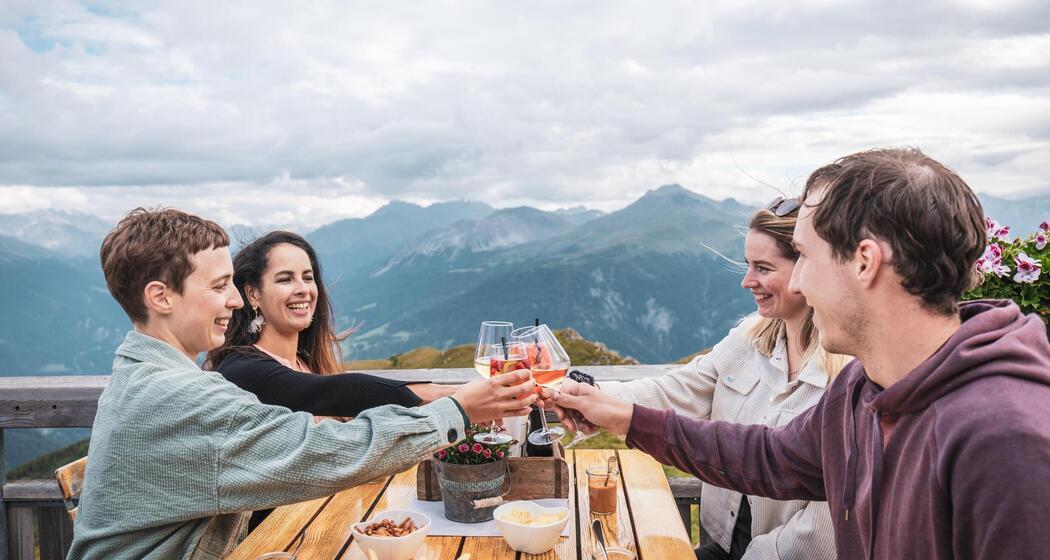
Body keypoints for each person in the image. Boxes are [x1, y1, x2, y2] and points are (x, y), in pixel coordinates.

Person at [547, 148, 1050, 559]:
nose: (801, 283)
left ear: (865, 262)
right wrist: (617, 413)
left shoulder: (1007, 439)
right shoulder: (866, 389)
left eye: (805, 257)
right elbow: (768, 458)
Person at [69, 208, 537, 560]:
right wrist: (456, 412)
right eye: (218, 287)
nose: (233, 300)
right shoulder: (181, 397)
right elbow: (328, 450)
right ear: (161, 297)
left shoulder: (143, 378)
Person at [596, 200, 845, 559]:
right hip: (722, 543)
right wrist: (586, 394)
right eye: (748, 266)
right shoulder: (749, 338)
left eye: (763, 268)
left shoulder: (847, 377)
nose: (747, 282)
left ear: (807, 267)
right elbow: (678, 390)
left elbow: (819, 532)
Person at [203, 231, 461, 529]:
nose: (303, 289)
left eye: (308, 277)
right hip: (271, 539)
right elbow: (327, 393)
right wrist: (432, 394)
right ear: (253, 294)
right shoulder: (243, 370)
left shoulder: (307, 363)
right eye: (285, 279)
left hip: (325, 524)